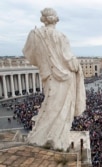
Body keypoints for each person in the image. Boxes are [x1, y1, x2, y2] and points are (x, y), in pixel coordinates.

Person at [22, 8, 86, 151]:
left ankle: (44, 137)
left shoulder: (34, 34)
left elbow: (29, 55)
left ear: (43, 19)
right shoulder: (61, 36)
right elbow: (69, 61)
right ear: (56, 19)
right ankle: (56, 139)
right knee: (61, 109)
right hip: (65, 79)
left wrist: (44, 62)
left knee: (50, 105)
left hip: (48, 76)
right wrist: (78, 66)